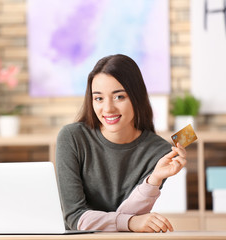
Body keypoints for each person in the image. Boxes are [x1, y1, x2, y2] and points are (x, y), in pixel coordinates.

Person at [55, 54, 187, 233]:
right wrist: (132, 223)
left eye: (119, 97)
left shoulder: (159, 152)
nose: (108, 108)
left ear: (136, 97)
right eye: (99, 98)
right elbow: (75, 216)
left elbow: (124, 215)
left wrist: (154, 179)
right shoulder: (72, 138)